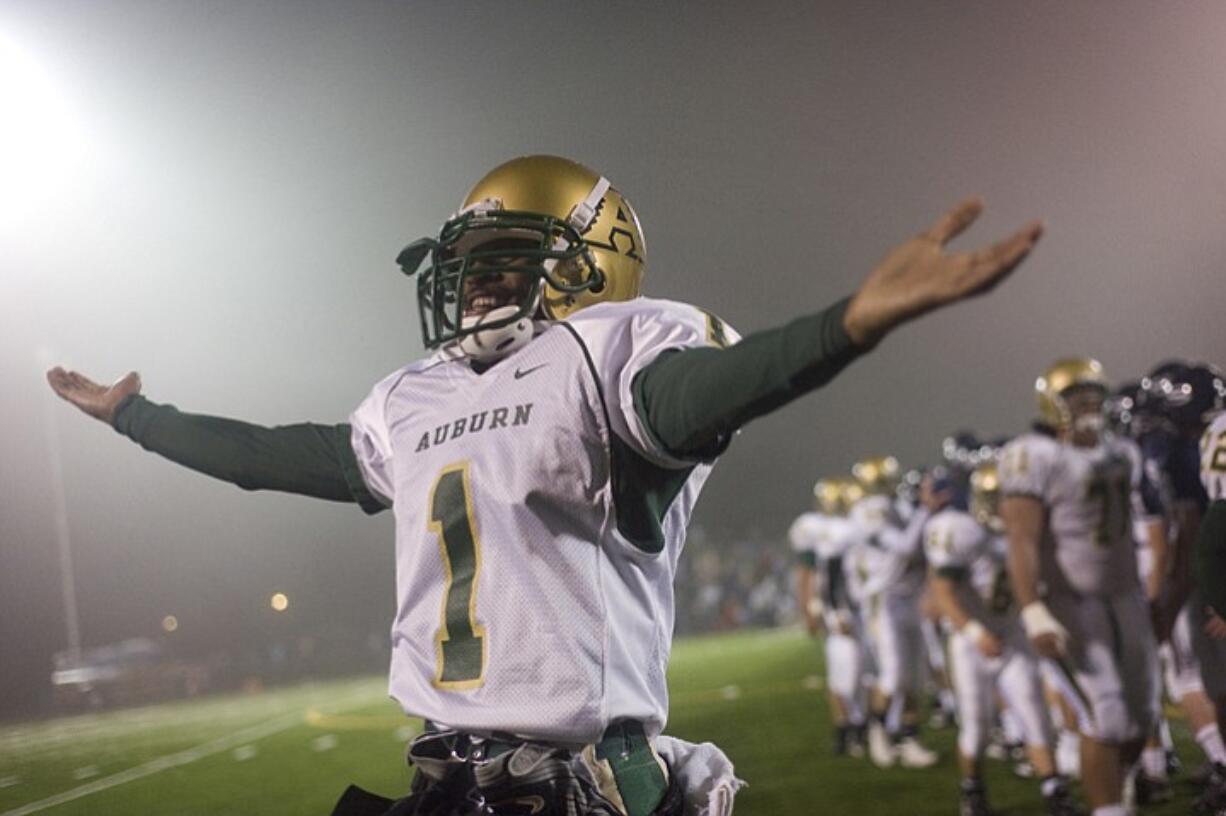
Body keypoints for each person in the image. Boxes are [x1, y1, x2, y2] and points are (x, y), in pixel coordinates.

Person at [47, 154, 1042, 816]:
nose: (478, 281)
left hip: (582, 785)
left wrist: (849, 322)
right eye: (469, 262)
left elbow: (707, 390)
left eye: (508, 258)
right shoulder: (413, 396)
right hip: (446, 779)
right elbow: (276, 458)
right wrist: (140, 419)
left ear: (591, 265)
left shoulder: (607, 350)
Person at [1000, 358, 1161, 816]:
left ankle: (1117, 786)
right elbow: (1021, 539)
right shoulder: (1034, 454)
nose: (1088, 405)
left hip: (1126, 596)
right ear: (1052, 404)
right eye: (1076, 397)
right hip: (1072, 603)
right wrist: (1032, 608)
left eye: (1094, 395)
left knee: (1143, 716)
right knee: (1104, 716)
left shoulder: (1121, 451)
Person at [926, 461, 1079, 816]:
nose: (1004, 507)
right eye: (997, 499)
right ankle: (973, 791)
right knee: (977, 728)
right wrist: (974, 631)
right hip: (970, 641)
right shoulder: (957, 530)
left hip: (1012, 634)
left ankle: (1056, 792)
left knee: (1034, 712)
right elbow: (942, 591)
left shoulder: (1029, 527)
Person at [846, 456, 939, 769]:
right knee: (893, 674)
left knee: (914, 678)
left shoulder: (897, 506)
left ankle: (909, 738)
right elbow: (904, 546)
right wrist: (927, 509)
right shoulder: (869, 510)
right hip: (883, 599)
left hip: (910, 596)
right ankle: (877, 731)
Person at [789, 476, 866, 758]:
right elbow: (812, 573)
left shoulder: (847, 528)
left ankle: (856, 728)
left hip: (858, 607)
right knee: (843, 673)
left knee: (858, 672)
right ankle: (847, 730)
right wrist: (810, 607)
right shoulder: (827, 531)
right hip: (841, 608)